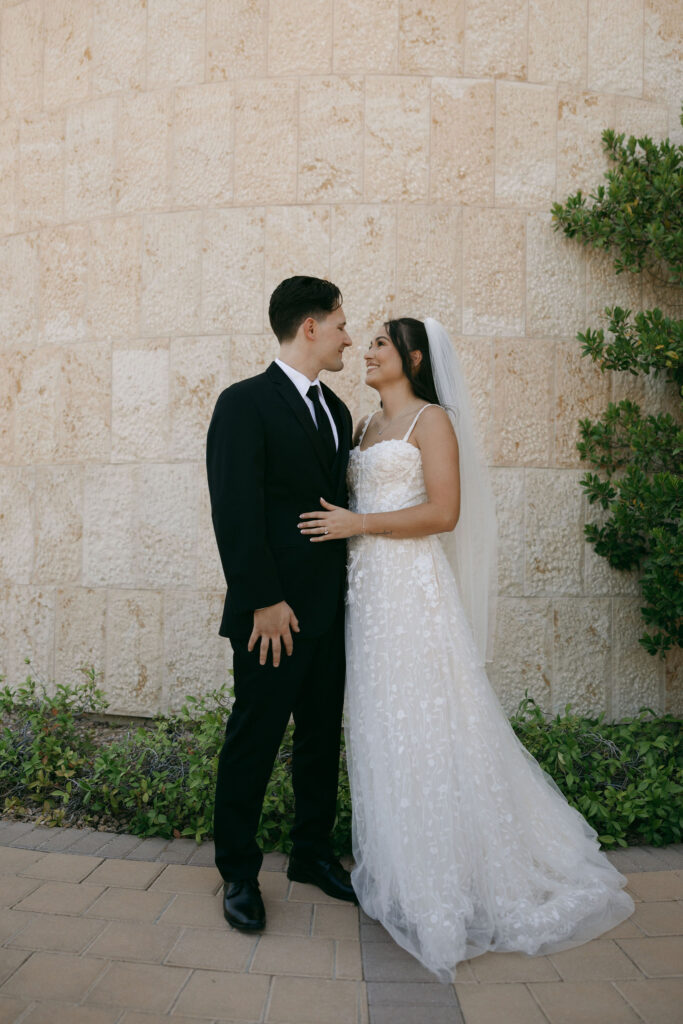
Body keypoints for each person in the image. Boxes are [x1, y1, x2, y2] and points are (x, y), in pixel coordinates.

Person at [298, 316, 634, 981]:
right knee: (382, 728)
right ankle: (400, 869)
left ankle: (448, 881)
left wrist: (358, 523)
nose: (364, 352)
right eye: (362, 342)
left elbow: (443, 512)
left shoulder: (432, 422)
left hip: (412, 592)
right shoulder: (364, 428)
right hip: (366, 597)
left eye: (379, 345)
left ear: (413, 358)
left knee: (429, 725)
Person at [206, 275, 356, 933]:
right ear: (311, 327)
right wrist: (262, 599)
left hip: (329, 612)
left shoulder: (340, 411)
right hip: (272, 615)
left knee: (321, 739)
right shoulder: (243, 403)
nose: (349, 335)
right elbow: (234, 509)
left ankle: (310, 853)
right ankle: (238, 872)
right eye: (342, 323)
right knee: (254, 738)